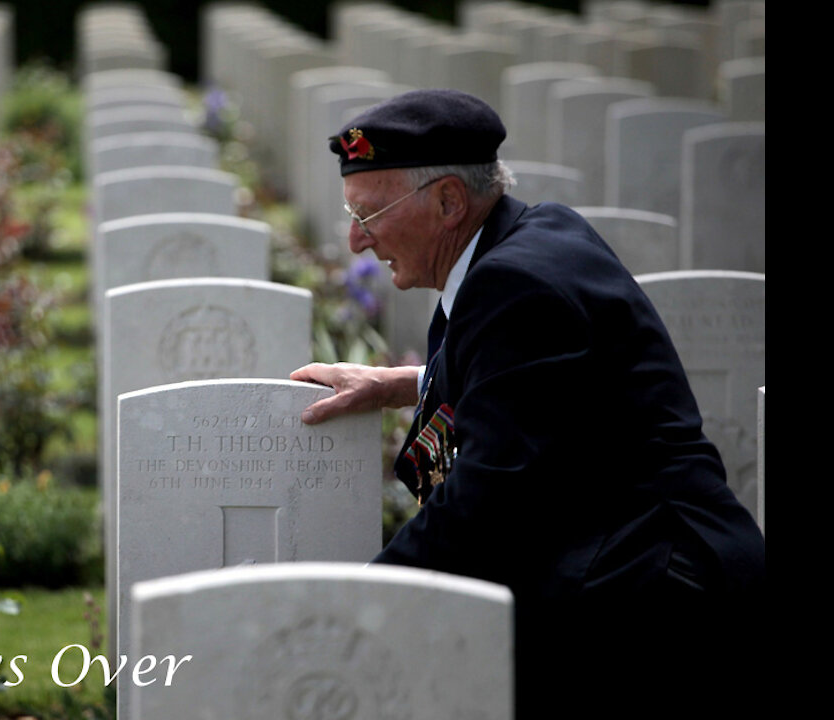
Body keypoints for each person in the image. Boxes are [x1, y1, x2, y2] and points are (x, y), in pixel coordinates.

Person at [290, 89, 765, 716]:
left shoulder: (515, 284)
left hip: (656, 601)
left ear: (449, 202)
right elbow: (534, 382)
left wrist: (347, 608)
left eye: (370, 215)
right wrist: (399, 384)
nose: (356, 242)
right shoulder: (532, 232)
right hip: (631, 565)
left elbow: (484, 501)